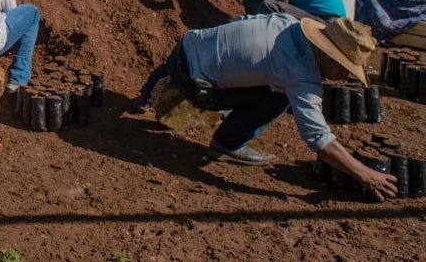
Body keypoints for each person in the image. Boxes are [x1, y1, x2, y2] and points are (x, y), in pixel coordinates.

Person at [137, 13, 397, 200]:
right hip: (196, 83)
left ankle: (148, 95)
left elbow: (238, 24)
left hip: (186, 46)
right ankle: (227, 144)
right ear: (330, 56)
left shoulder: (288, 24)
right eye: (344, 70)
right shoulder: (301, 73)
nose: (343, 78)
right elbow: (318, 139)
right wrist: (365, 175)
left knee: (258, 72)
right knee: (280, 96)